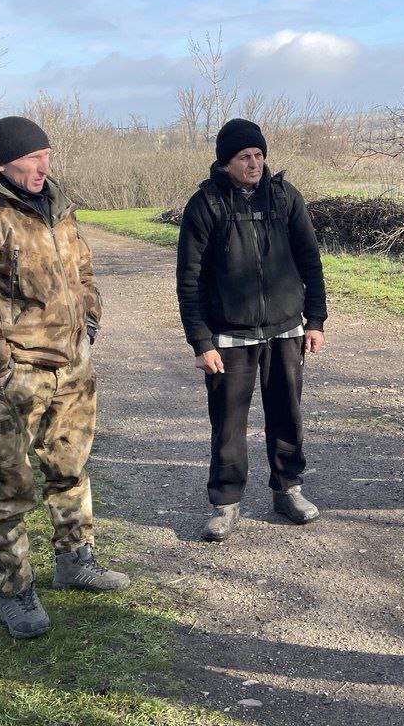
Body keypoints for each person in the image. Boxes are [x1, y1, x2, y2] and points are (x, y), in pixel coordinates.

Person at [0, 116, 128, 641]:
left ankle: (76, 559)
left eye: (47, 154)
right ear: (2, 163)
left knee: (70, 467)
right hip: (15, 378)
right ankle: (15, 589)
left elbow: (82, 271)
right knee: (11, 486)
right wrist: (0, 365)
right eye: (32, 157)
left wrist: (89, 319)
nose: (44, 165)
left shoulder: (60, 210)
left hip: (72, 368)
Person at [175, 118, 328, 541]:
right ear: (226, 162)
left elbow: (310, 262)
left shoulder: (284, 198)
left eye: (259, 155)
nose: (255, 163)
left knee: (287, 415)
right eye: (245, 156)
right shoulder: (205, 205)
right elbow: (189, 279)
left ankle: (288, 490)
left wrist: (315, 321)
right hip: (228, 337)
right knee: (227, 423)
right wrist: (200, 341)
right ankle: (225, 504)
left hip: (284, 330)